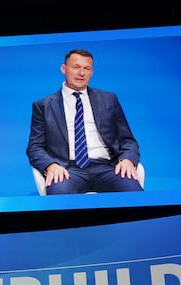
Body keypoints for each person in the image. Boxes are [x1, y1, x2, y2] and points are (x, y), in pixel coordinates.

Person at [26, 48, 143, 194]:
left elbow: (128, 140)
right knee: (60, 195)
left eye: (87, 68)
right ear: (64, 69)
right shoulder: (43, 105)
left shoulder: (108, 99)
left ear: (91, 73)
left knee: (132, 191)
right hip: (67, 169)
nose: (81, 73)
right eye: (76, 67)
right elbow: (35, 147)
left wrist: (126, 159)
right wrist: (51, 165)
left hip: (107, 167)